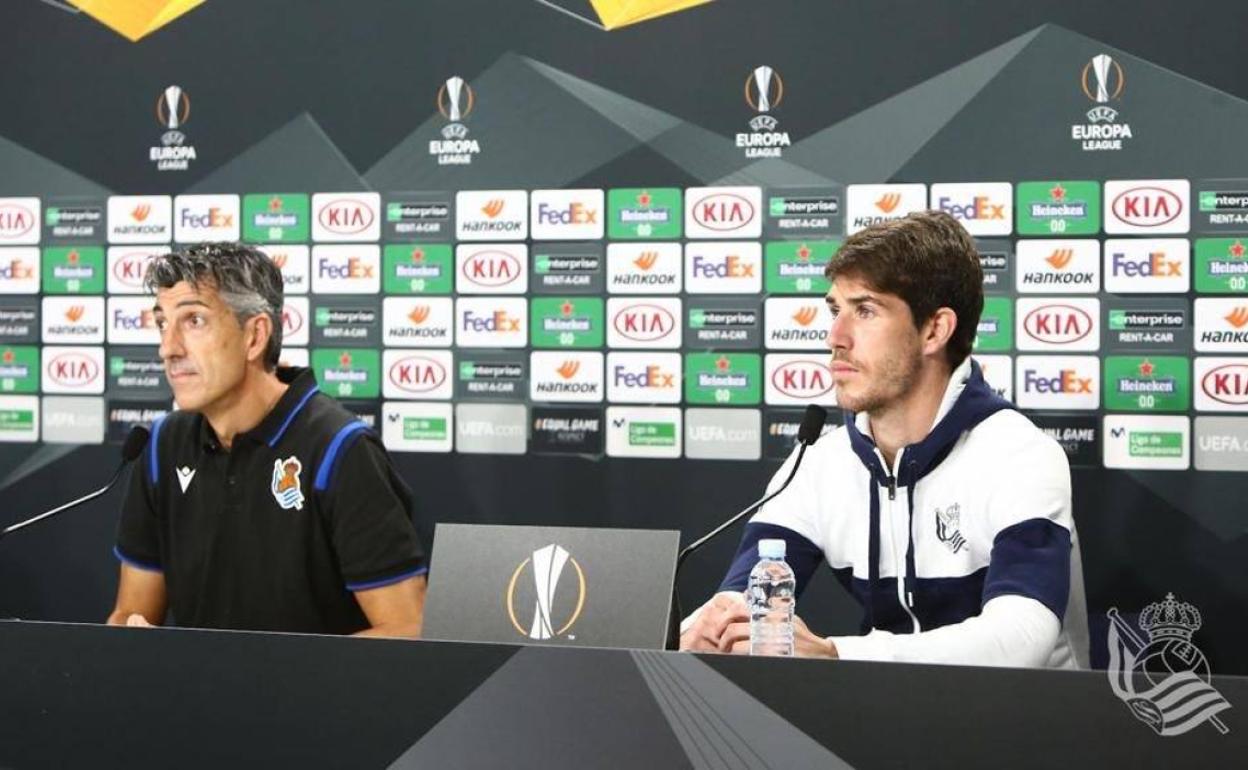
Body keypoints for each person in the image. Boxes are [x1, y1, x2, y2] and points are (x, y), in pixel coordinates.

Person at [680, 211, 1089, 667]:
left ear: (935, 329)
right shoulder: (819, 460)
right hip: (880, 718)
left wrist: (837, 654)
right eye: (835, 310)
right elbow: (741, 601)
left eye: (865, 310)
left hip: (1021, 725)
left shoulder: (1018, 454)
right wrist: (707, 628)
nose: (835, 337)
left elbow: (1021, 638)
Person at [107, 242, 427, 637]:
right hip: (196, 695)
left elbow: (407, 628)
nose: (167, 348)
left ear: (255, 336)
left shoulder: (339, 447)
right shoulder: (161, 445)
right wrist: (128, 635)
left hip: (315, 697)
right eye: (162, 323)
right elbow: (130, 615)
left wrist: (270, 679)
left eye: (193, 321)